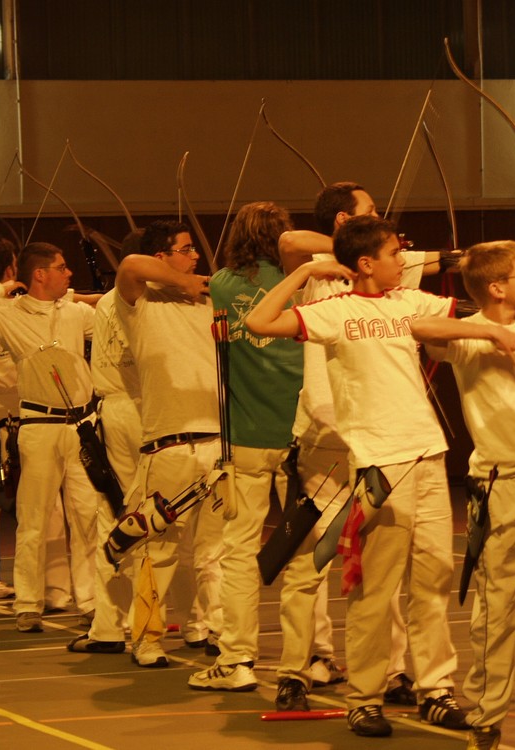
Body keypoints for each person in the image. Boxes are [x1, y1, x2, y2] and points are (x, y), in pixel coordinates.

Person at [247, 214, 500, 738]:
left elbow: (470, 314)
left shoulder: (409, 302)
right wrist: (305, 272)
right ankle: (365, 698)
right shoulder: (334, 311)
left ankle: (436, 690)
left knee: (432, 581)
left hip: (429, 455)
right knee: (374, 590)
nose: (401, 261)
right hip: (381, 465)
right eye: (392, 254)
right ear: (365, 263)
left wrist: (511, 318)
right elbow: (259, 323)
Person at [275, 181, 444, 708]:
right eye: (370, 211)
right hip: (324, 438)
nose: (381, 214)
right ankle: (296, 669)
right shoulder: (316, 269)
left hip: (380, 444)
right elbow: (288, 242)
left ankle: (392, 672)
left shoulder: (386, 279)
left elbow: (431, 264)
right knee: (311, 558)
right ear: (344, 222)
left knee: (381, 563)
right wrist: (339, 255)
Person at [411, 241, 515, 750]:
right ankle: (487, 720)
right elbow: (420, 328)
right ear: (497, 288)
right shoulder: (470, 336)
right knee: (496, 610)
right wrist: (493, 332)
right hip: (499, 483)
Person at [0, 242, 99, 632]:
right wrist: (2, 288)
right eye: (62, 267)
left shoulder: (73, 312)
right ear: (40, 274)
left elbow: (110, 314)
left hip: (80, 425)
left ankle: (90, 600)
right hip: (37, 425)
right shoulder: (8, 312)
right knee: (33, 519)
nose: (69, 273)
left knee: (87, 517)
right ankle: (28, 603)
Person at [188, 201, 303, 694]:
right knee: (304, 552)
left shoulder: (221, 284)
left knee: (238, 553)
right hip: (299, 435)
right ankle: (308, 660)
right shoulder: (301, 283)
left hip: (249, 438)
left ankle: (236, 658)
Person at [111, 223, 223, 667]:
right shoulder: (140, 303)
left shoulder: (209, 301)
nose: (195, 257)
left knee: (216, 552)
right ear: (162, 256)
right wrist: (184, 281)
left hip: (217, 442)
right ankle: (146, 639)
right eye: (185, 249)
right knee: (158, 548)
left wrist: (203, 288)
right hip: (168, 445)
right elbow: (130, 265)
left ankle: (221, 633)